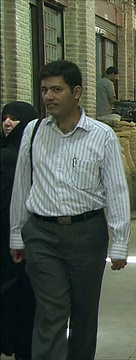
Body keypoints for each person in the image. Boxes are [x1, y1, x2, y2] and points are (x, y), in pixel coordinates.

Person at [9, 60, 131, 360]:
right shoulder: (34, 132)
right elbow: (22, 185)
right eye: (44, 90)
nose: (49, 96)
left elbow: (116, 190)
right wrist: (16, 234)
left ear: (76, 92)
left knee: (84, 314)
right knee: (51, 312)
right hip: (42, 234)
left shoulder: (101, 136)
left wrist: (119, 243)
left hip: (87, 234)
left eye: (56, 89)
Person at [1, 101, 38, 360]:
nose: (7, 123)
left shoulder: (28, 157)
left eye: (14, 119)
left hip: (23, 240)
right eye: (4, 118)